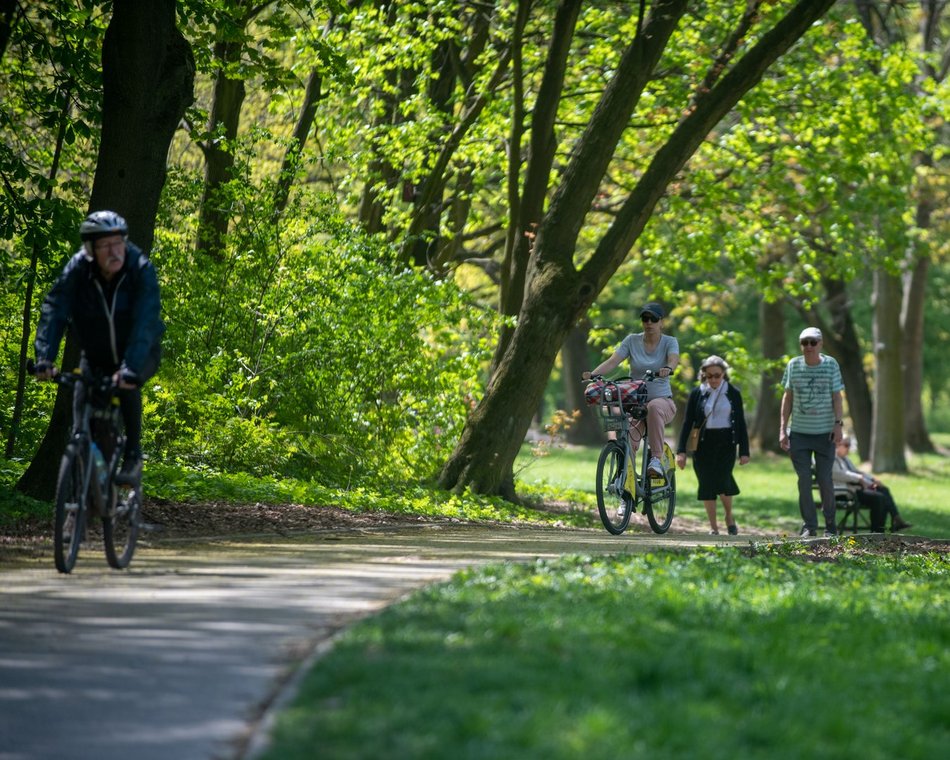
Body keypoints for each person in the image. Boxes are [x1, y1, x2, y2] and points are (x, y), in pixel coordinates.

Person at [34, 210, 164, 485]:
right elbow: (55, 308)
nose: (114, 251)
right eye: (105, 246)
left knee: (127, 386)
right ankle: (77, 502)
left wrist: (130, 367)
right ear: (90, 249)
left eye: (118, 243)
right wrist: (45, 357)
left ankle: (132, 455)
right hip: (95, 355)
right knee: (81, 405)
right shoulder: (79, 269)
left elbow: (145, 322)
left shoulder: (140, 269)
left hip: (139, 352)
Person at [583, 301, 679, 478]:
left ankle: (657, 459)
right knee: (627, 441)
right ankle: (626, 489)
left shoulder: (670, 342)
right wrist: (593, 375)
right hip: (637, 404)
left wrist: (668, 368)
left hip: (663, 402)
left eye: (653, 318)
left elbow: (673, 359)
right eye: (645, 318)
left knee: (654, 407)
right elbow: (613, 361)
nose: (649, 322)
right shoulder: (632, 340)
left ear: (661, 322)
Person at [779, 326, 845, 537]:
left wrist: (838, 424)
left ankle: (831, 525)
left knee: (825, 479)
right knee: (804, 480)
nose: (808, 346)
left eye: (812, 342)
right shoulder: (793, 365)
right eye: (804, 342)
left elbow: (837, 396)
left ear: (820, 344)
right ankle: (809, 525)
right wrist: (782, 429)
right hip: (799, 432)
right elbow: (787, 398)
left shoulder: (831, 365)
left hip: (825, 433)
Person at [675, 355, 750, 535]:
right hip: (702, 444)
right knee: (706, 483)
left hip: (726, 442)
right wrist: (681, 451)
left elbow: (740, 423)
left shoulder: (733, 393)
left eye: (717, 375)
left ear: (724, 373)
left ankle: (729, 516)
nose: (714, 379)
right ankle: (713, 527)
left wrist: (744, 451)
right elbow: (687, 422)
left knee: (723, 480)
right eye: (709, 376)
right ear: (704, 375)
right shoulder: (697, 393)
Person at [833, 436, 912, 533]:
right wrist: (860, 479)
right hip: (845, 492)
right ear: (837, 445)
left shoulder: (845, 459)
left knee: (883, 490)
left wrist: (872, 479)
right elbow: (841, 474)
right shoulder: (832, 459)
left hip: (855, 489)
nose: (848, 448)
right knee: (879, 498)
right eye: (846, 445)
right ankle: (877, 531)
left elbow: (857, 472)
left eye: (849, 445)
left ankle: (895, 519)